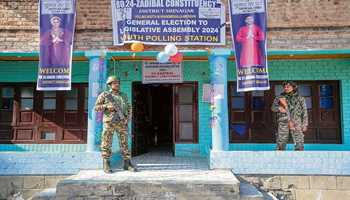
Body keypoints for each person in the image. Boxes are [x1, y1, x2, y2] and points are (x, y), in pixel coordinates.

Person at [94, 76, 137, 173]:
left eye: (118, 82)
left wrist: (128, 118)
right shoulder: (105, 95)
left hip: (122, 122)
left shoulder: (123, 95)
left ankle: (127, 163)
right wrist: (107, 106)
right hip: (109, 122)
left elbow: (129, 107)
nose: (117, 84)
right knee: (106, 142)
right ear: (109, 84)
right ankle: (106, 163)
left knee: (124, 143)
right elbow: (96, 107)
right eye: (114, 83)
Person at [271, 81, 308, 151]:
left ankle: (300, 155)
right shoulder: (279, 97)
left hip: (296, 121)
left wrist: (305, 124)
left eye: (288, 86)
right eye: (284, 87)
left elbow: (304, 112)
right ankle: (279, 156)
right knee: (281, 139)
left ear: (293, 87)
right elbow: (273, 108)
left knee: (299, 140)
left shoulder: (300, 98)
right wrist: (278, 108)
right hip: (283, 121)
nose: (286, 88)